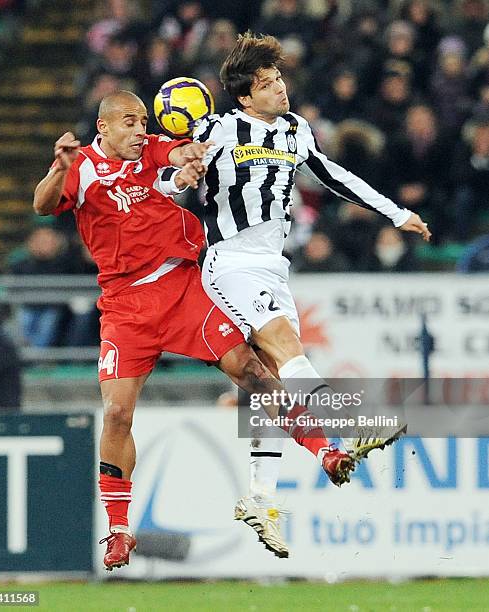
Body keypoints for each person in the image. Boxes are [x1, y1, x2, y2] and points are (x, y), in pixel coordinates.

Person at [32, 90, 359, 569]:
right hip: (125, 307)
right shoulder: (80, 167)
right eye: (129, 121)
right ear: (103, 127)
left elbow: (179, 153)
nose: (140, 130)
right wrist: (57, 168)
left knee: (250, 369)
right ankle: (119, 530)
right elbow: (43, 205)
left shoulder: (152, 148)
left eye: (144, 120)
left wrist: (190, 159)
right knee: (117, 413)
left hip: (182, 286)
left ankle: (326, 451)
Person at [185, 32, 431, 558]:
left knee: (269, 385)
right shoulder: (221, 127)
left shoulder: (296, 131)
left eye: (280, 80)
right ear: (245, 96)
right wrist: (183, 158)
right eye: (268, 84)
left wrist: (396, 213)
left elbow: (334, 176)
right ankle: (345, 425)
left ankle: (260, 497)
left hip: (274, 267)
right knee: (285, 351)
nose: (281, 90)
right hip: (229, 262)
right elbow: (177, 159)